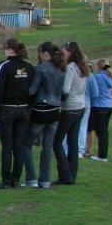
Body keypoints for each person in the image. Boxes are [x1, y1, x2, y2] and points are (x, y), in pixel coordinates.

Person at [22, 41, 66, 188]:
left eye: (40, 53)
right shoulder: (61, 69)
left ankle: (31, 178)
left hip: (41, 109)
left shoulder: (41, 69)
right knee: (47, 147)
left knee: (27, 144)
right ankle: (45, 180)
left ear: (45, 54)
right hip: (55, 110)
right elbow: (64, 92)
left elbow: (32, 90)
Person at [0, 38, 34, 189]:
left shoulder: (6, 66)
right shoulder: (29, 67)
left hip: (7, 109)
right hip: (23, 109)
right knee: (19, 146)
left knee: (7, 147)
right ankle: (16, 178)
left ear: (10, 49)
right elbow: (32, 89)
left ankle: (6, 180)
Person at [52, 41, 90, 185]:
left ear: (70, 52)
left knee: (57, 142)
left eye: (64, 52)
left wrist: (58, 95)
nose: (62, 55)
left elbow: (66, 89)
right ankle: (71, 175)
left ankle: (65, 174)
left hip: (70, 108)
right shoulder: (83, 67)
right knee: (72, 142)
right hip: (80, 106)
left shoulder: (70, 68)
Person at [89, 59, 112, 162]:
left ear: (99, 67)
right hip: (109, 106)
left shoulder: (98, 77)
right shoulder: (110, 77)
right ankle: (103, 153)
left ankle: (102, 155)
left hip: (99, 106)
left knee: (100, 132)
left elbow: (93, 90)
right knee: (104, 131)